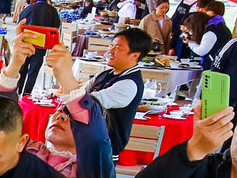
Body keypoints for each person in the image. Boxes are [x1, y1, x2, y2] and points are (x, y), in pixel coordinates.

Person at [26, 28, 150, 156]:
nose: (110, 51)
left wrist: (65, 73)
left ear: (135, 55)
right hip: (83, 143)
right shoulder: (106, 74)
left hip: (101, 151)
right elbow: (82, 90)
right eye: (111, 45)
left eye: (118, 48)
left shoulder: (129, 85)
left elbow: (86, 103)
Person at [14, 0, 61, 95]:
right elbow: (56, 29)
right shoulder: (52, 11)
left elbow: (19, 23)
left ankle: (17, 92)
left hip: (26, 43)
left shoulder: (28, 8)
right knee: (33, 72)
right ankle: (26, 94)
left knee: (22, 69)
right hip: (41, 45)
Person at [191, 0, 233, 70]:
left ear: (211, 12)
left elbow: (202, 51)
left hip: (211, 64)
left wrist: (190, 42)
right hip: (220, 64)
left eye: (206, 10)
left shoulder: (213, 29)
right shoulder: (223, 27)